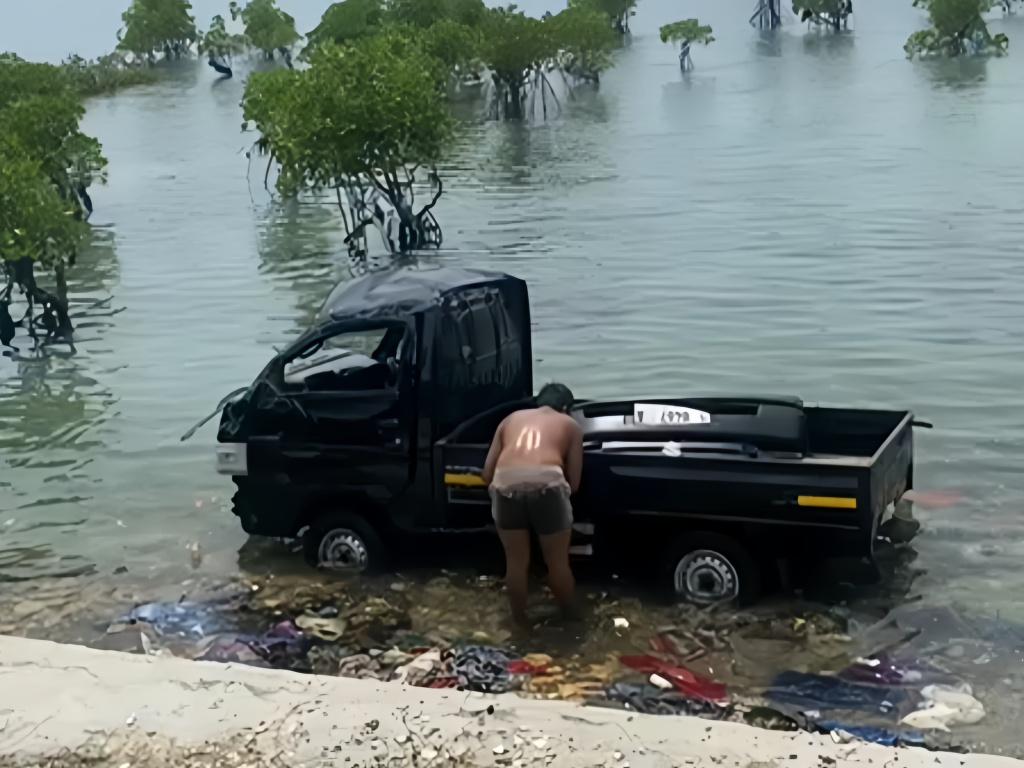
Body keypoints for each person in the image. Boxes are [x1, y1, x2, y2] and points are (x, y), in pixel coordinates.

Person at [481, 382, 584, 628]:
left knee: (515, 563)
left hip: (505, 484)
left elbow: (487, 473)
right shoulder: (570, 425)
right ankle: (571, 619)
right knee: (557, 562)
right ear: (566, 408)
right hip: (547, 482)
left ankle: (520, 622)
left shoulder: (510, 419)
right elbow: (575, 482)